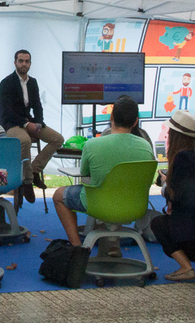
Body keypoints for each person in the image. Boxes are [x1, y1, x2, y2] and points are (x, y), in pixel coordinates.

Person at [52, 95, 154, 248]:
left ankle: (77, 248)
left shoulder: (92, 145)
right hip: (135, 206)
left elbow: (85, 174)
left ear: (111, 116)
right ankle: (111, 245)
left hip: (99, 204)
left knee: (59, 195)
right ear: (135, 121)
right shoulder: (146, 146)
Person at [0, 49, 64, 203]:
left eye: (27, 61)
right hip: (11, 123)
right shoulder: (6, 83)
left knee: (57, 139)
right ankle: (27, 182)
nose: (24, 64)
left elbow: (37, 105)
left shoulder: (32, 82)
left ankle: (34, 171)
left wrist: (38, 123)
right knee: (25, 140)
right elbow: (6, 111)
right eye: (21, 61)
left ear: (30, 63)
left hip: (29, 121)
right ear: (15, 63)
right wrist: (26, 124)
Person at [149, 111, 195, 281]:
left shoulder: (181, 158)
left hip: (187, 224)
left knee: (158, 224)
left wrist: (166, 183)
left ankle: (186, 267)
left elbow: (177, 195)